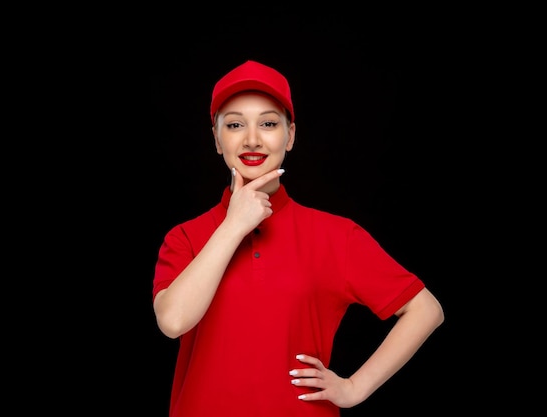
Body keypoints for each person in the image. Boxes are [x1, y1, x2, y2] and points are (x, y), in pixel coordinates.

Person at [152, 60, 444, 417]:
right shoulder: (185, 236)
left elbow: (425, 309)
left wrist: (354, 388)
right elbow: (173, 321)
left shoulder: (337, 236)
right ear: (216, 139)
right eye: (234, 125)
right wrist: (233, 226)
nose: (252, 139)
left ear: (290, 136)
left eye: (269, 123)